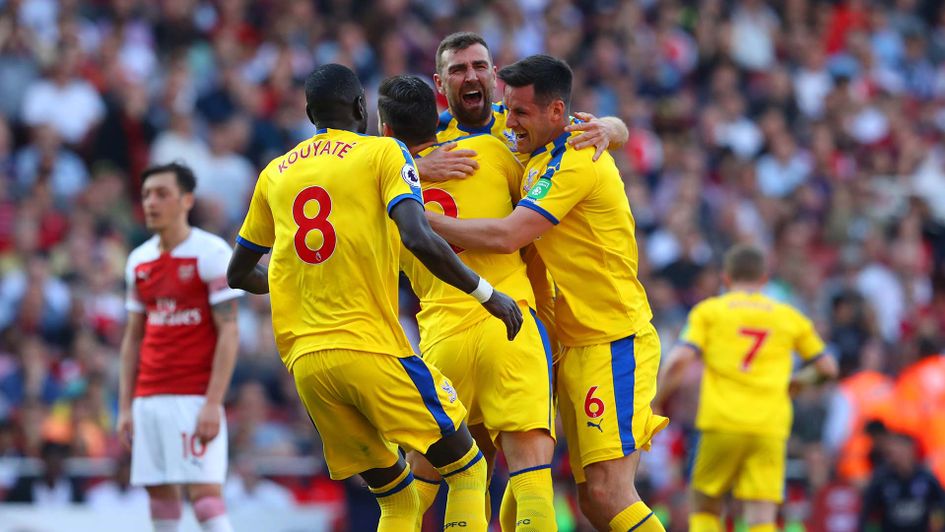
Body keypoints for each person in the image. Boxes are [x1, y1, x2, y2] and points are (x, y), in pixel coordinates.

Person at [226, 63, 523, 532]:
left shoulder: (274, 172)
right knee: (468, 468)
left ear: (309, 113)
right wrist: (487, 294)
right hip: (371, 349)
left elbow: (238, 272)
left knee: (399, 502)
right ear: (362, 108)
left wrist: (290, 279)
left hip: (308, 366)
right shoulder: (385, 152)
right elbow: (419, 237)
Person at [426, 54, 667, 532]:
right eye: (507, 109)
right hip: (563, 344)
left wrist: (416, 220)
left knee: (607, 494)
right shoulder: (530, 141)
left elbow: (507, 236)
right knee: (528, 487)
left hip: (610, 339)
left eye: (519, 113)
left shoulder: (576, 156)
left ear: (556, 112)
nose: (508, 123)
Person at [378, 74, 556, 529]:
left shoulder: (378, 182)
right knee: (530, 475)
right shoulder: (493, 152)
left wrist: (411, 169)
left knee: (435, 480)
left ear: (384, 130)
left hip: (440, 340)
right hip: (508, 321)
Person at [657, 244, 839, 532]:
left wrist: (657, 398)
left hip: (721, 422)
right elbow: (828, 368)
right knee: (761, 514)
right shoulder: (787, 316)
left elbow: (680, 359)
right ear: (764, 279)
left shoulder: (710, 312)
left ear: (725, 278)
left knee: (705, 504)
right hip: (769, 425)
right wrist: (796, 384)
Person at [118, 161, 242, 532]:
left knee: (205, 499)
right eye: (145, 196)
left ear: (187, 200)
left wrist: (212, 402)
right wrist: (125, 406)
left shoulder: (212, 253)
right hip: (149, 397)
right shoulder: (138, 260)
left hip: (194, 396)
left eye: (161, 194)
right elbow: (133, 337)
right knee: (160, 500)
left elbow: (229, 331)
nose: (151, 203)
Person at [860, 431, 945, 532]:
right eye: (890, 452)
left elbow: (939, 508)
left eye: (898, 450)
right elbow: (870, 515)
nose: (893, 455)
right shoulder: (881, 480)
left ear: (910, 450)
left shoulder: (927, 478)